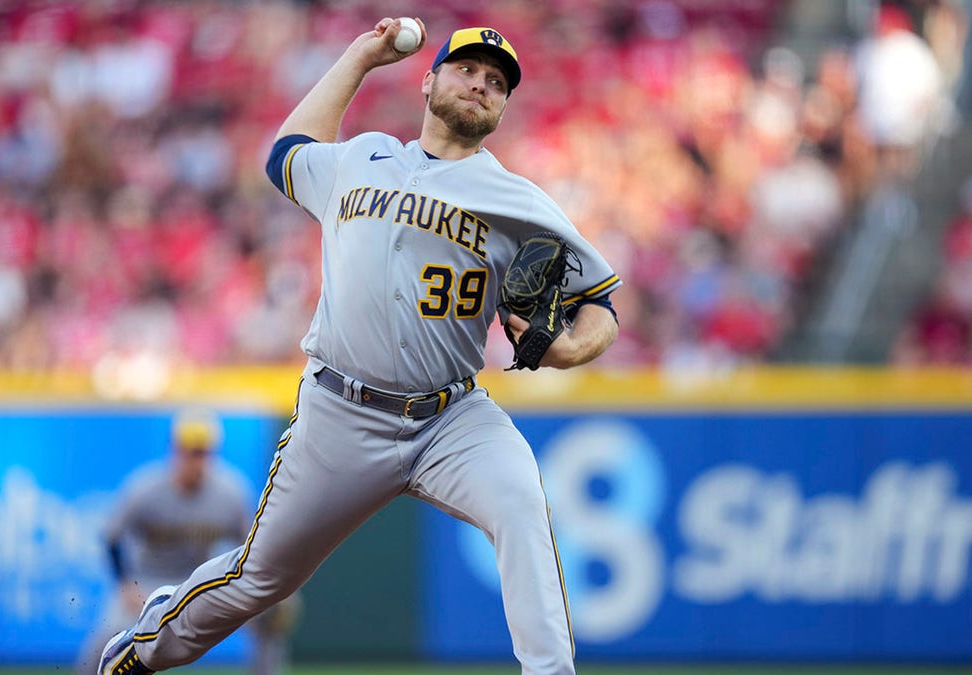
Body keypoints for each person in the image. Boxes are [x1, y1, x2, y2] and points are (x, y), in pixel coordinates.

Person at [99, 18, 621, 675]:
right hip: (341, 412)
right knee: (259, 578)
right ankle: (145, 649)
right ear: (429, 80)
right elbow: (283, 154)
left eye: (496, 82)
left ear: (503, 106)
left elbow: (601, 304)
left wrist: (571, 350)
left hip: (452, 418)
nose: (481, 84)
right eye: (467, 69)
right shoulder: (361, 157)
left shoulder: (519, 202)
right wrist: (360, 55)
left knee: (522, 504)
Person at [80, 411, 299, 675]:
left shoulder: (230, 492)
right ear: (175, 451)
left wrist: (272, 594)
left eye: (203, 452)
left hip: (198, 582)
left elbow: (254, 546)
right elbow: (112, 538)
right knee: (104, 641)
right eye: (191, 452)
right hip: (146, 582)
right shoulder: (146, 489)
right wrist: (125, 585)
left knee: (267, 620)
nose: (197, 460)